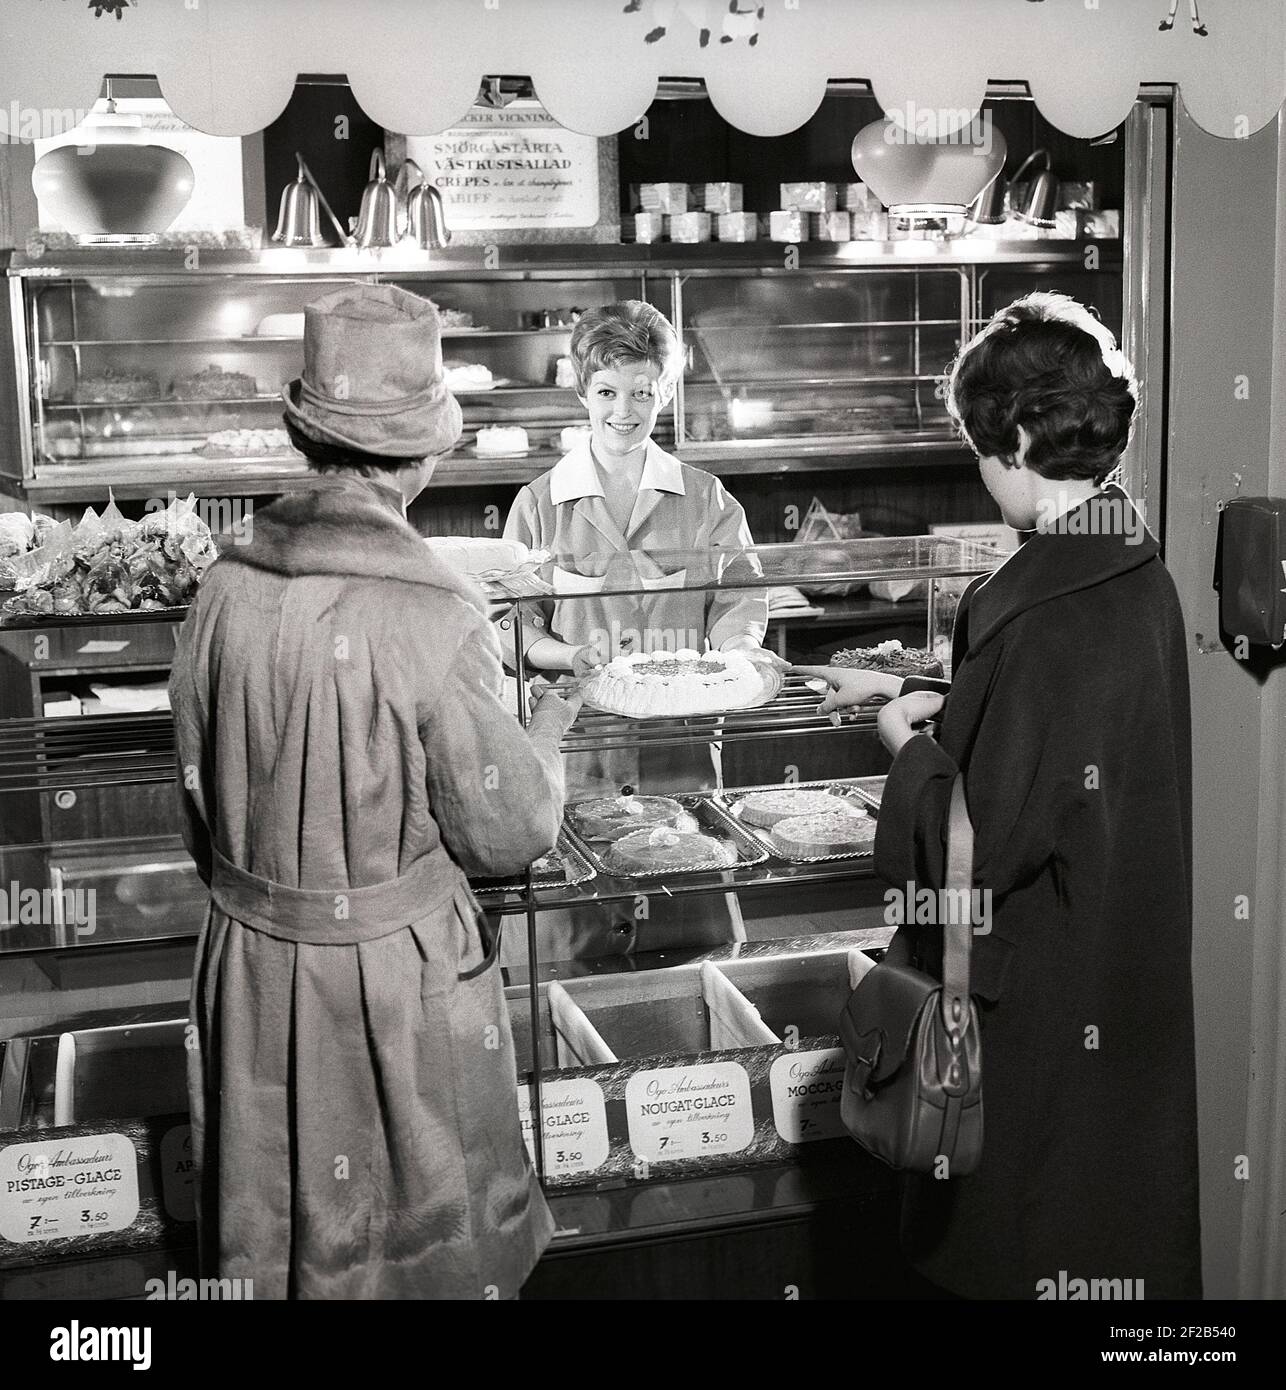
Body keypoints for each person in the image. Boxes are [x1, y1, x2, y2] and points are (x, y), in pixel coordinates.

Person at [168, 284, 582, 1299]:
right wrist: (546, 741)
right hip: (394, 987)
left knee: (280, 1242)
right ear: (428, 453)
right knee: (422, 1252)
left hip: (251, 973)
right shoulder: (437, 609)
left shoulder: (222, 586)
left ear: (306, 436)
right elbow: (509, 828)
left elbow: (195, 806)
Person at [800, 293, 1201, 1299]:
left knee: (1018, 1245)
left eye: (983, 446)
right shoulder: (1128, 571)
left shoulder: (1040, 614)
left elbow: (989, 834)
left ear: (1020, 437)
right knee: (1109, 1228)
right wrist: (910, 688)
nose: (980, 471)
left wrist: (903, 750)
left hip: (1032, 1006)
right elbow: (1049, 741)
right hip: (1112, 975)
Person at [502, 300, 776, 960]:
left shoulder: (708, 499)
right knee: (571, 949)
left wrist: (735, 660)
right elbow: (514, 628)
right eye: (606, 391)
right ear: (580, 389)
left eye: (642, 393)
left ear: (667, 391)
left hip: (676, 753)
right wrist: (572, 653)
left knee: (693, 947)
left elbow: (740, 603)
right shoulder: (538, 504)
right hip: (574, 754)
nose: (623, 411)